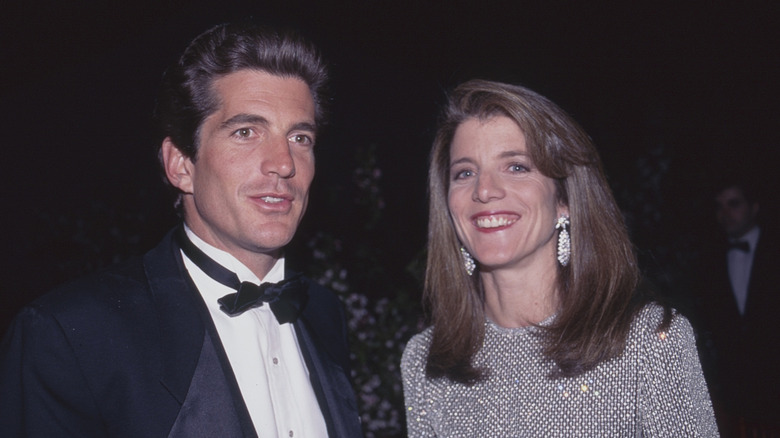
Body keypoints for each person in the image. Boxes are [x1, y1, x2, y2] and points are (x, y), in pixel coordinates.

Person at [0, 23, 363, 438]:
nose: (283, 163)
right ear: (181, 165)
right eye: (246, 132)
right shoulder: (70, 335)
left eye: (300, 137)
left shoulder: (323, 313)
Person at [401, 79, 718, 437]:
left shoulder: (649, 341)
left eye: (516, 166)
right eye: (465, 173)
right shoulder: (424, 362)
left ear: (564, 200)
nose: (484, 190)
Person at [693, 179, 780, 436]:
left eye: (734, 204)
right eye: (719, 206)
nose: (725, 213)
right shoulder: (710, 261)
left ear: (754, 207)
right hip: (738, 389)